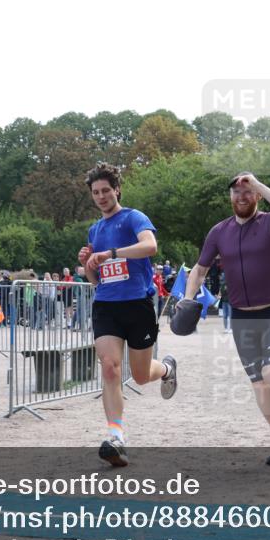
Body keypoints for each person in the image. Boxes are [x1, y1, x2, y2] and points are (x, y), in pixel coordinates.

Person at [181, 171, 270, 466]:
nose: (242, 196)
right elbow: (199, 270)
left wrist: (259, 183)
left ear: (257, 196)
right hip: (241, 318)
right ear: (230, 198)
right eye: (236, 192)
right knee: (260, 386)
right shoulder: (219, 232)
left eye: (248, 191)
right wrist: (187, 299)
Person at [79, 163, 178, 467]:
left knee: (139, 375)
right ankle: (116, 437)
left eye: (106, 190)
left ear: (117, 189)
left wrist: (111, 254)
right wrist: (88, 266)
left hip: (138, 303)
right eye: (96, 193)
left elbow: (150, 246)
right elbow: (97, 281)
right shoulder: (95, 229)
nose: (101, 196)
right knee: (109, 367)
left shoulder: (134, 218)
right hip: (106, 304)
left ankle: (167, 369)